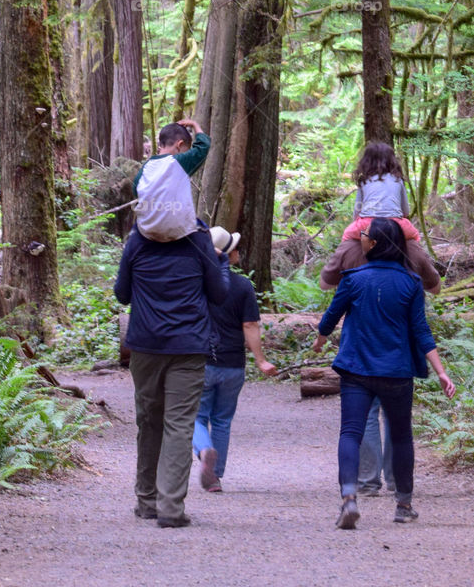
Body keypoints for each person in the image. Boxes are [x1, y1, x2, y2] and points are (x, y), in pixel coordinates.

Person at [313, 217, 456, 530]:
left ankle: (349, 498)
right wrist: (441, 372)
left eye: (365, 235)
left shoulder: (352, 279)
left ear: (374, 244)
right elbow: (421, 330)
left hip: (356, 369)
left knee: (350, 432)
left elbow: (332, 314)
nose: (361, 237)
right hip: (396, 372)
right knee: (402, 435)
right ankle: (403, 505)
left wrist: (320, 340)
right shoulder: (410, 283)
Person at [113, 220, 228, 528]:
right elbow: (218, 294)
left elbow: (122, 294)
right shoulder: (199, 240)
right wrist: (220, 264)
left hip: (146, 346)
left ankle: (147, 502)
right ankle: (171, 508)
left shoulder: (137, 239)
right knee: (178, 424)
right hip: (188, 346)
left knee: (150, 421)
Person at [192, 226, 278, 491]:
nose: (239, 251)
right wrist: (260, 360)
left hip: (201, 361)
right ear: (227, 254)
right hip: (232, 364)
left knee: (194, 417)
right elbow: (250, 325)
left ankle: (204, 450)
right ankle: (215, 476)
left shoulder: (196, 283)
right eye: (235, 248)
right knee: (222, 420)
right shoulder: (242, 286)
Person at [341, 140, 420, 243]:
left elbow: (357, 211)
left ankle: (340, 258)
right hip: (395, 224)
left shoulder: (364, 180)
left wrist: (357, 223)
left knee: (347, 236)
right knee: (415, 236)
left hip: (367, 224)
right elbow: (405, 211)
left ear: (366, 160)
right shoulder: (398, 180)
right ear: (392, 160)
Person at [132, 118, 210, 192]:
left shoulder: (147, 166)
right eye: (186, 151)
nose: (185, 154)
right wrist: (194, 124)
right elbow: (204, 146)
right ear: (180, 144)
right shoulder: (177, 162)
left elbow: (135, 188)